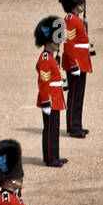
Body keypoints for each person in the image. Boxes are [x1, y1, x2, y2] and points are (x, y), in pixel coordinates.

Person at [59, 0, 93, 138]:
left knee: (78, 95)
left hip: (80, 61)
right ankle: (73, 127)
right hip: (76, 63)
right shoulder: (71, 21)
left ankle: (76, 124)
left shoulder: (75, 19)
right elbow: (70, 44)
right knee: (74, 96)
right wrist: (74, 64)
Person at [34, 15, 67, 167]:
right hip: (50, 99)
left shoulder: (51, 57)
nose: (58, 43)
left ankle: (55, 155)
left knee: (54, 129)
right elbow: (44, 82)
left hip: (55, 97)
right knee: (49, 130)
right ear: (47, 42)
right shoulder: (46, 59)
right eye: (56, 41)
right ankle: (49, 158)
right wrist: (46, 102)